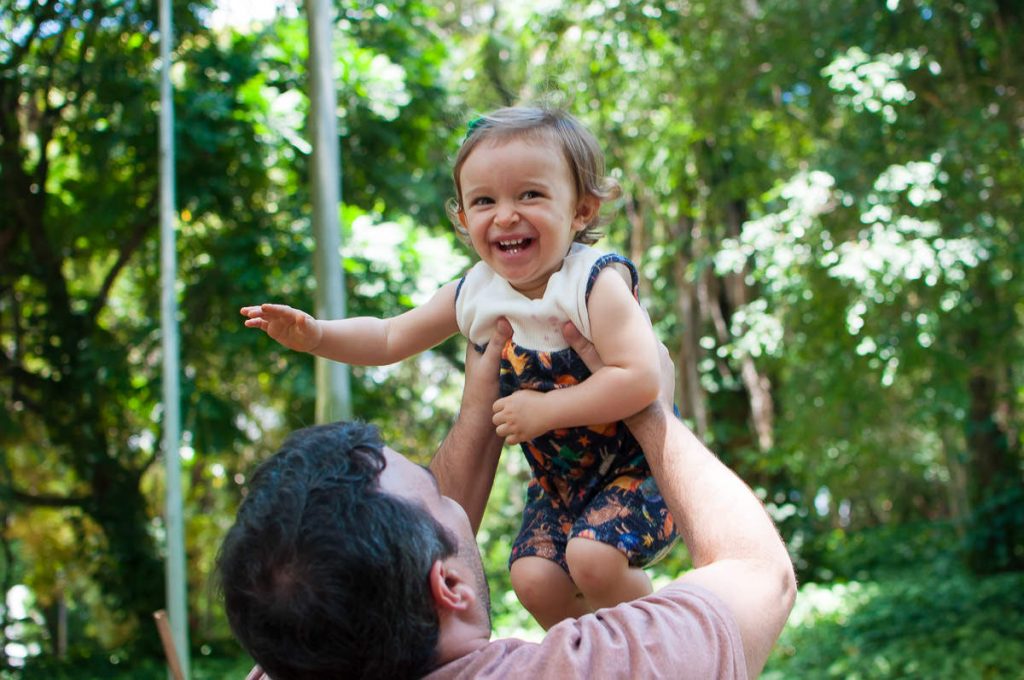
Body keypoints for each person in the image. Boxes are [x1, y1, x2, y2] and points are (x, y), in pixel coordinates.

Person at [240, 106, 675, 627]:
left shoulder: (593, 284)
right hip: (559, 486)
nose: (506, 214)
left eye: (530, 194)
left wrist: (546, 410)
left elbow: (641, 377)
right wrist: (316, 335)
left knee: (593, 558)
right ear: (466, 220)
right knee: (532, 579)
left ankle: (661, 647)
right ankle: (591, 662)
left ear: (581, 210)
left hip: (636, 473)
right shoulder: (477, 293)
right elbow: (388, 335)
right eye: (485, 200)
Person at [217, 321, 797, 680]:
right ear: (447, 587)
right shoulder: (599, 668)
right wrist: (646, 403)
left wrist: (483, 401)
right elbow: (759, 575)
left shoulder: (295, 654)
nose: (456, 502)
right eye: (440, 499)